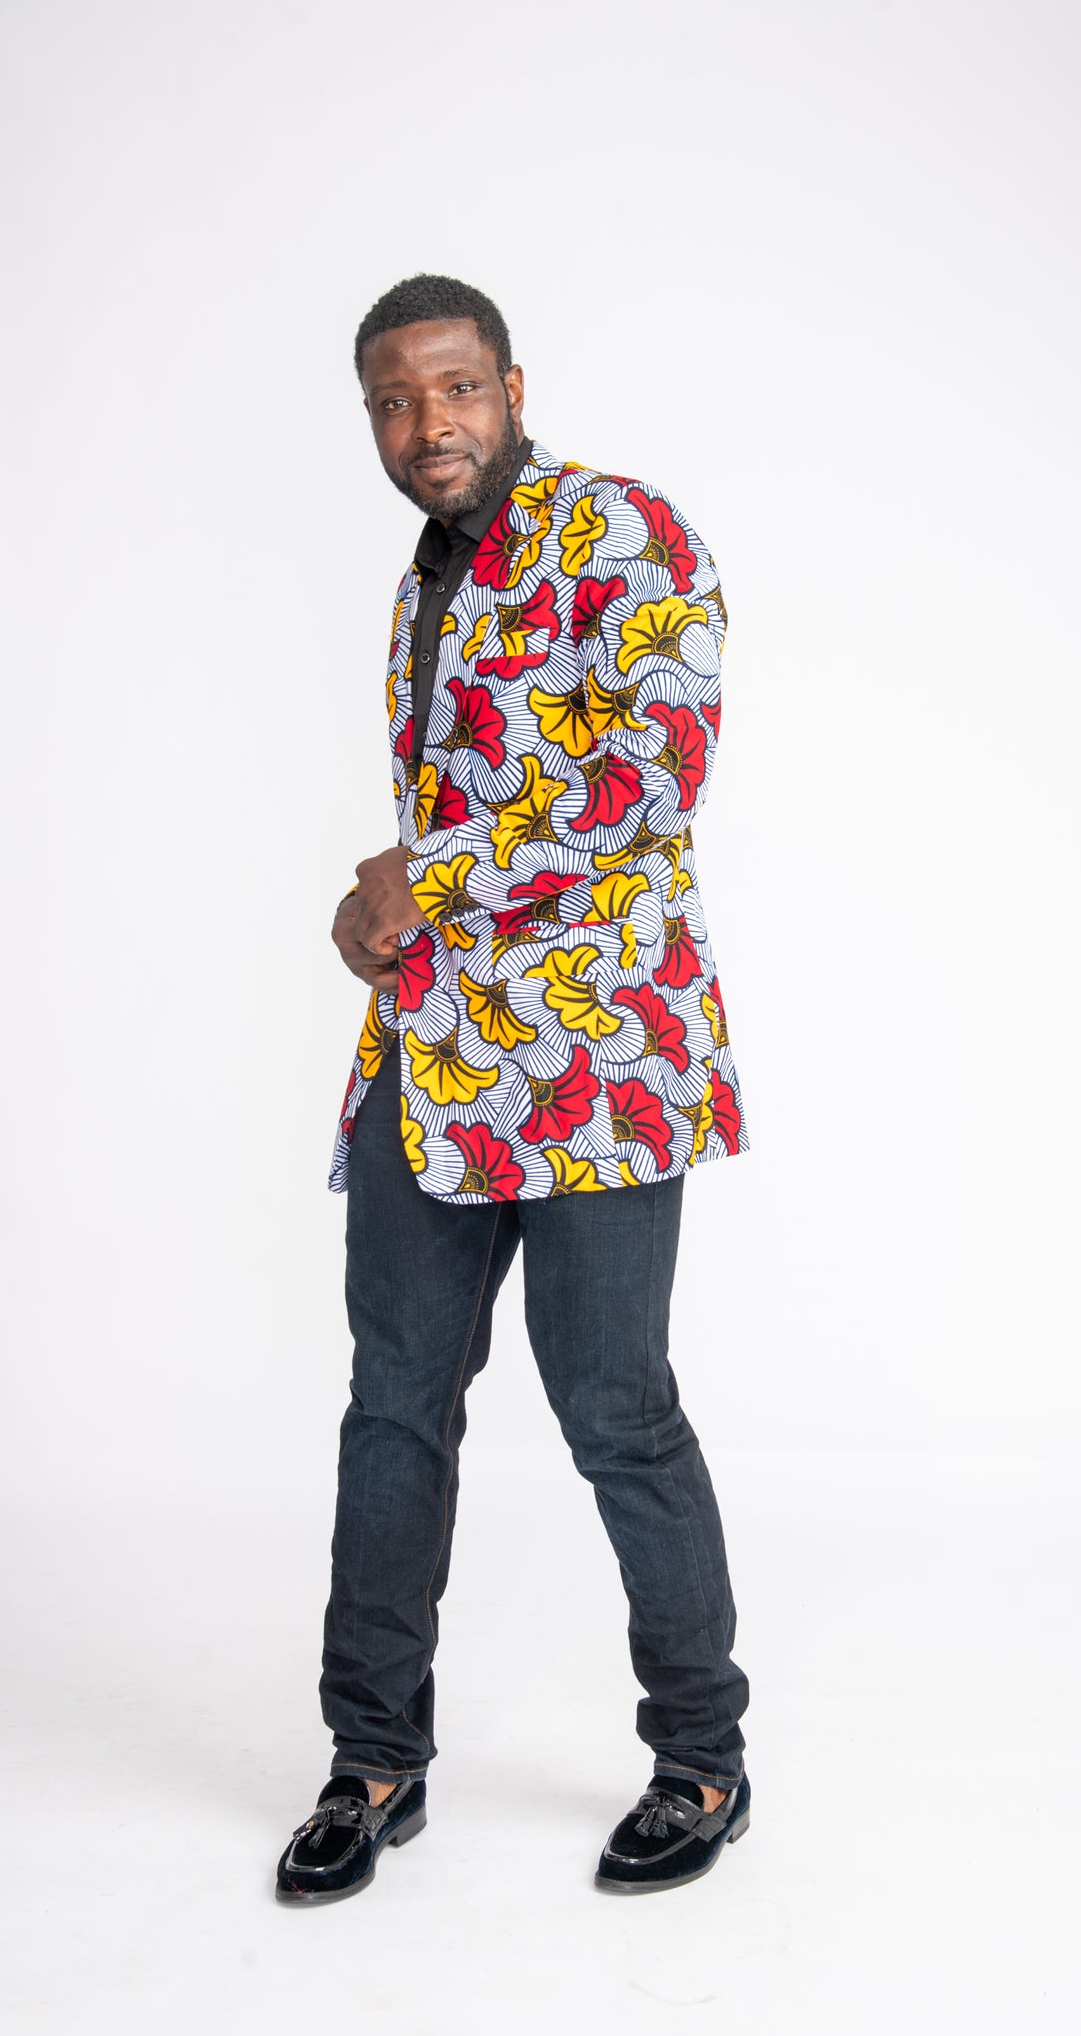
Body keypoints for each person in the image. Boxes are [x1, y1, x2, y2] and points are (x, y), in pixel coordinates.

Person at [275, 274, 751, 1904]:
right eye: (394, 402)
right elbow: (453, 829)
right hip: (431, 1063)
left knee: (615, 1409)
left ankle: (702, 1758)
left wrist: (425, 874)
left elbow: (651, 781)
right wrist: (380, 918)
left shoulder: (620, 532)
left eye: (456, 388)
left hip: (597, 1066)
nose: (429, 426)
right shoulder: (422, 578)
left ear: (512, 386)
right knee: (393, 1406)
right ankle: (371, 1761)